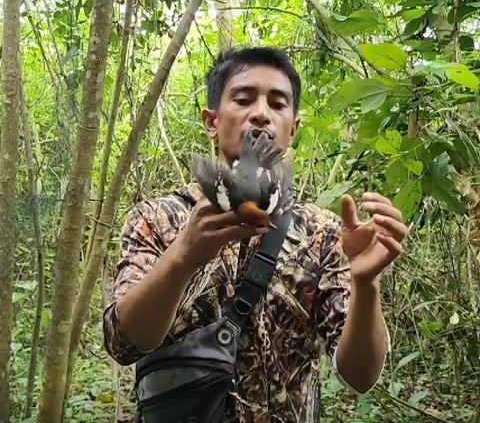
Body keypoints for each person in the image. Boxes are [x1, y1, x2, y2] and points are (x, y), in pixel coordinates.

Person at [103, 47, 408, 422]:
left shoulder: (324, 233)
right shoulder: (158, 218)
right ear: (211, 121)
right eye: (244, 99)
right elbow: (123, 342)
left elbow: (360, 377)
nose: (261, 113)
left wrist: (366, 285)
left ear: (292, 129)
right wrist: (183, 255)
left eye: (278, 104)